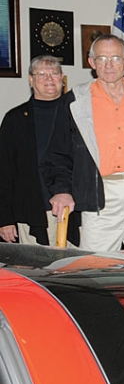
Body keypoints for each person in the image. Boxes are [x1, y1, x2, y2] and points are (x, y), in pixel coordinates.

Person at [46, 34, 124, 251]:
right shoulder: (76, 101)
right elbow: (59, 153)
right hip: (100, 190)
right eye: (102, 59)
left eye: (115, 58)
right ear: (92, 63)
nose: (109, 65)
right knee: (95, 263)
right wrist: (62, 190)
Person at [0, 56, 80, 246]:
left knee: (77, 272)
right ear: (31, 80)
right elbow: (4, 172)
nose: (49, 78)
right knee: (39, 273)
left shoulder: (78, 114)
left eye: (54, 73)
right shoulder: (15, 119)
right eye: (41, 74)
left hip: (76, 211)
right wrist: (4, 218)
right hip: (32, 212)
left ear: (63, 79)